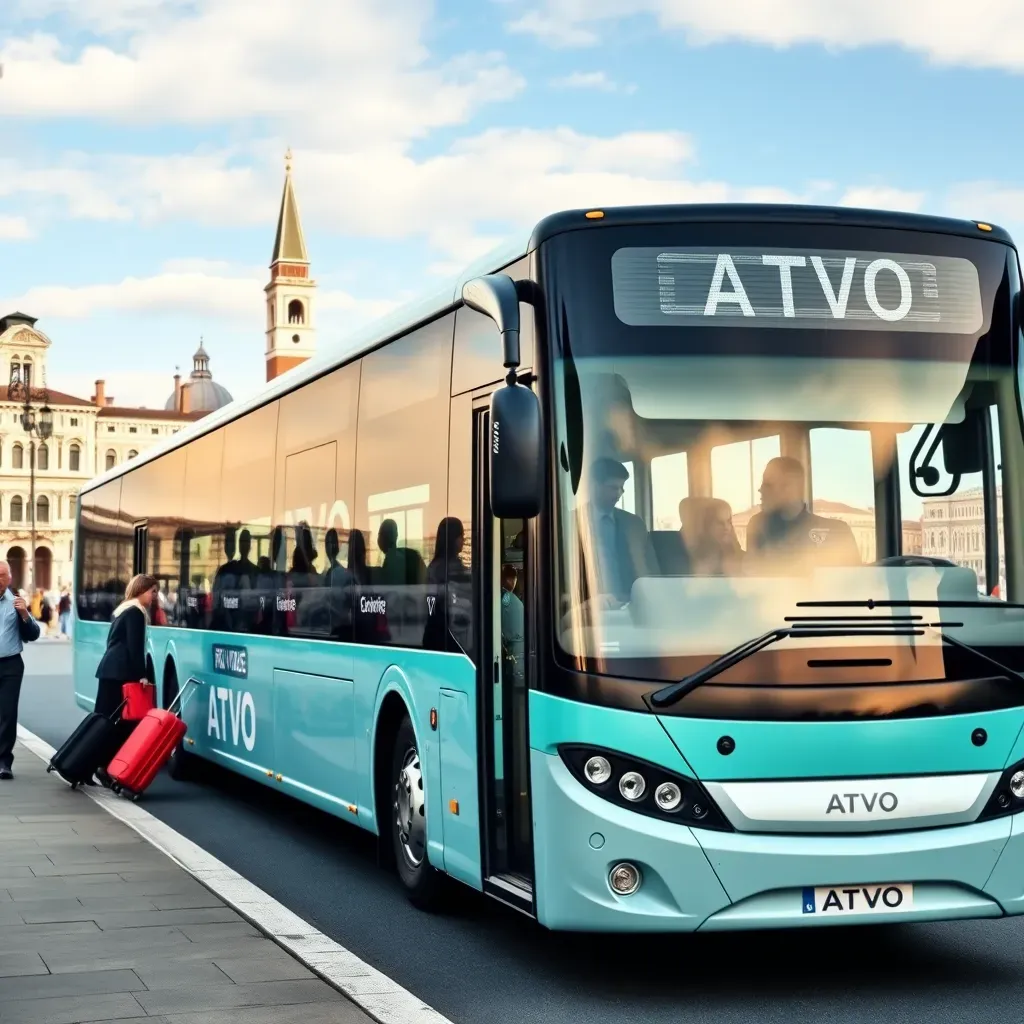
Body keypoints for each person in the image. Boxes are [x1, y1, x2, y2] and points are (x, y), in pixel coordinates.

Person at [92, 573, 158, 788]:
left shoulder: (123, 609)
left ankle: (90, 764)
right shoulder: (136, 613)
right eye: (152, 591)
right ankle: (102, 766)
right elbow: (135, 648)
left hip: (109, 670)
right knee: (116, 722)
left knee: (103, 720)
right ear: (141, 590)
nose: (154, 597)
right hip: (120, 673)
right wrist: (142, 675)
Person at [746, 456, 861, 570]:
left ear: (789, 487)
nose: (760, 489)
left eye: (767, 484)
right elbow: (750, 581)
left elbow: (857, 583)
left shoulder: (837, 532)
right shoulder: (757, 526)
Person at [578, 458, 659, 604]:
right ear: (594, 486)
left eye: (621, 488)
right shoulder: (571, 524)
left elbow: (652, 571)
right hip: (587, 610)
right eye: (613, 488)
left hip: (634, 607)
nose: (619, 493)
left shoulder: (635, 524)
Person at [0, 561, 41, 779]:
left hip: (10, 665)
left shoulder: (17, 603)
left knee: (7, 713)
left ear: (10, 578)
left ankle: (4, 761)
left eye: (2, 575)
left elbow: (33, 634)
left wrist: (25, 614)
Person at [678, 496, 743, 575]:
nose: (726, 527)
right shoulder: (689, 563)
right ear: (706, 526)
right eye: (720, 523)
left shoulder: (741, 558)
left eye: (729, 521)